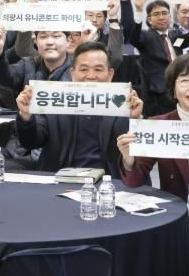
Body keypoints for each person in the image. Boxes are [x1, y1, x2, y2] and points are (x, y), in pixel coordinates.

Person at [118, 52, 189, 274]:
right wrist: (129, 160)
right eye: (184, 81)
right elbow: (135, 181)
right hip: (179, 233)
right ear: (173, 88)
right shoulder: (158, 126)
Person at [15, 42, 143, 177]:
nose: (91, 76)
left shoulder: (123, 103)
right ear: (72, 73)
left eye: (98, 69)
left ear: (110, 74)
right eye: (84, 69)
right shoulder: (54, 99)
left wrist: (136, 120)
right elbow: (31, 141)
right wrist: (26, 115)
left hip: (110, 181)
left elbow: (140, 158)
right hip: (59, 178)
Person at [127, 0, 189, 116]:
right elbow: (134, 37)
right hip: (158, 93)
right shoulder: (145, 36)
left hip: (180, 88)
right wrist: (138, 11)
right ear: (149, 20)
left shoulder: (176, 36)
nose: (161, 17)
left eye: (164, 13)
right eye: (156, 14)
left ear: (170, 16)